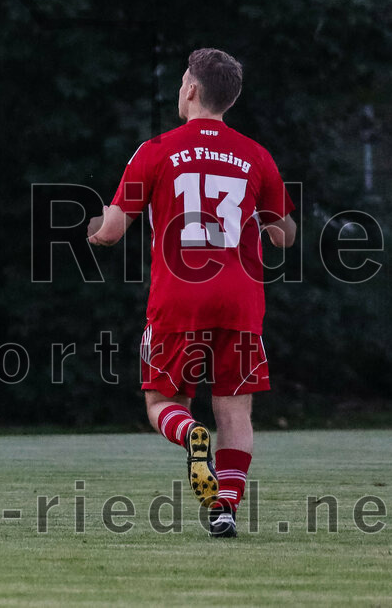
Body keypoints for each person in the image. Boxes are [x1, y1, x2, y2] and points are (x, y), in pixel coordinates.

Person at [87, 48, 296, 538]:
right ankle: (225, 507)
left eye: (183, 81)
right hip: (241, 300)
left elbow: (113, 230)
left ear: (192, 90)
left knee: (162, 403)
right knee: (235, 409)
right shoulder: (256, 155)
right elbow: (283, 235)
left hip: (179, 298)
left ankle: (189, 432)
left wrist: (92, 228)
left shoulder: (157, 149)